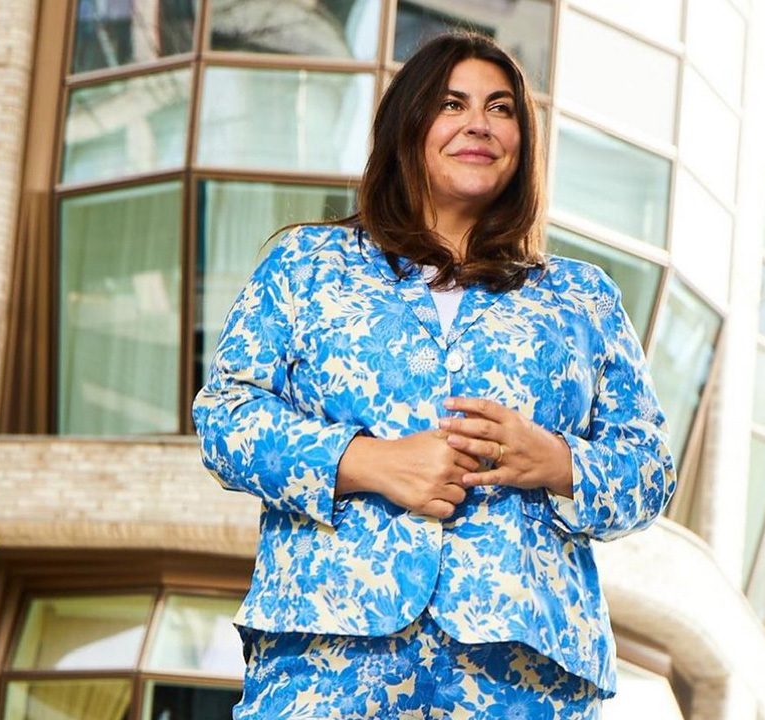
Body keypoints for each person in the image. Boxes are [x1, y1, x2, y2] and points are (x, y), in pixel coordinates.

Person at [194, 31, 675, 719]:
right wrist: (367, 462)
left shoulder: (582, 296)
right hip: (328, 655)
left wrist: (557, 461)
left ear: (524, 141)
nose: (479, 122)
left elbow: (651, 468)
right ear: (409, 125)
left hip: (525, 673)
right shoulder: (307, 265)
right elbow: (226, 418)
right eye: (453, 104)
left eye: (501, 108)